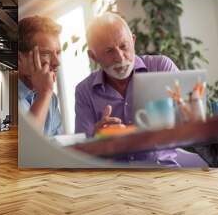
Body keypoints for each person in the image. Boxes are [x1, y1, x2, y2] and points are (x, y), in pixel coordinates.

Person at [75, 12, 182, 166]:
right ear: (93, 56)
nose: (120, 57)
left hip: (163, 172)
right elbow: (81, 152)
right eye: (109, 51)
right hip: (113, 179)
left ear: (133, 41)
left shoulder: (161, 67)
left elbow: (192, 119)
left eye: (124, 46)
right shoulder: (84, 91)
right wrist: (97, 138)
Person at [18, 15, 63, 137]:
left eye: (57, 52)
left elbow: (57, 146)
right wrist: (44, 93)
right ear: (19, 58)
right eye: (46, 53)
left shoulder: (51, 98)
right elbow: (26, 147)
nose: (56, 62)